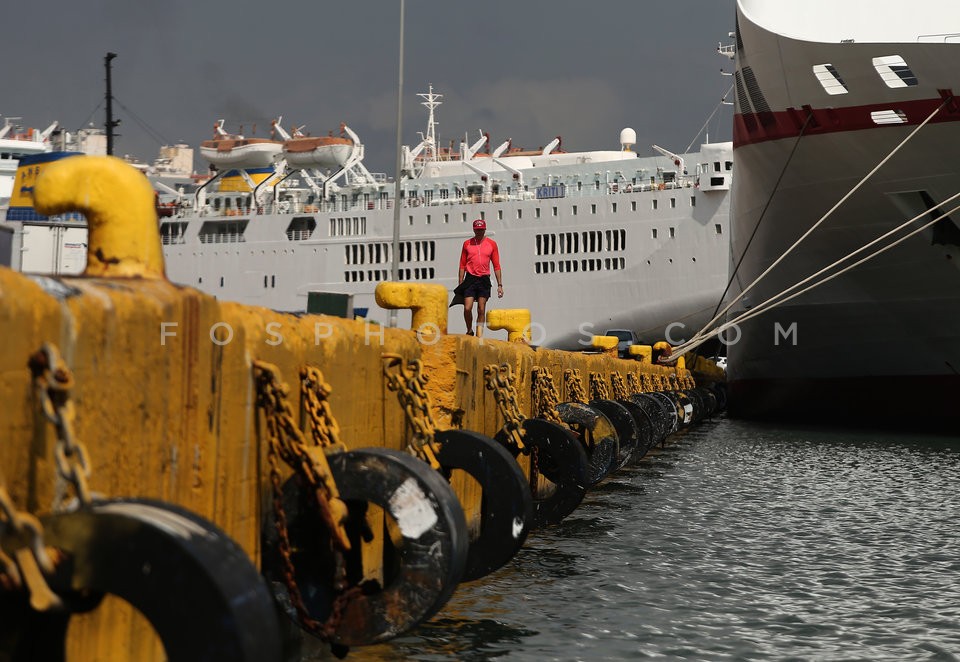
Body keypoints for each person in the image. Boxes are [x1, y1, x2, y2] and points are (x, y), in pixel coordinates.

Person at [453, 219, 502, 337]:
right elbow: (462, 264)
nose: (479, 232)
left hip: (484, 279)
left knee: (481, 308)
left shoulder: (492, 244)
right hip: (470, 279)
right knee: (467, 308)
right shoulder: (467, 244)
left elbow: (496, 265)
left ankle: (479, 335)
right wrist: (460, 282)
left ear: (485, 229)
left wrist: (500, 285)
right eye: (477, 230)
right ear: (473, 230)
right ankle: (469, 330)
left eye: (481, 230)